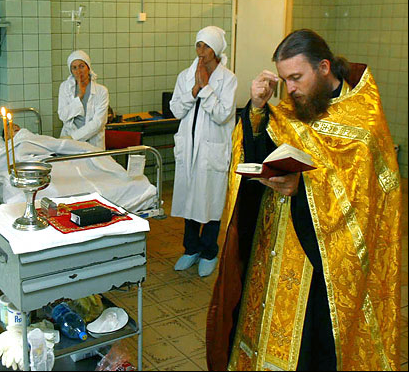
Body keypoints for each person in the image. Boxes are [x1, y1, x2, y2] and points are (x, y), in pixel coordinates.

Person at [206, 29, 401, 371]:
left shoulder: (364, 120)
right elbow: (260, 152)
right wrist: (257, 109)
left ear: (324, 67)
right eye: (284, 80)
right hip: (272, 248)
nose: (290, 89)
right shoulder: (294, 108)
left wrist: (303, 189)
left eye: (296, 78)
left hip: (321, 261)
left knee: (312, 346)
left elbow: (362, 202)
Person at [169, 26, 237, 277]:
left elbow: (222, 115)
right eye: (198, 45)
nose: (201, 51)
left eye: (206, 46)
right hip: (188, 150)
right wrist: (194, 90)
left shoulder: (228, 79)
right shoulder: (185, 76)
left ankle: (209, 252)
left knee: (209, 202)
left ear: (216, 50)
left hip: (212, 151)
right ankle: (191, 249)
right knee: (189, 201)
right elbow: (176, 110)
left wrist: (206, 88)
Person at [58, 50, 109, 149]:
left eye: (82, 66)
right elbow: (63, 116)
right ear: (71, 71)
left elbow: (98, 122)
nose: (78, 71)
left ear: (88, 67)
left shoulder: (101, 91)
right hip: (69, 139)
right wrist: (79, 97)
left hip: (92, 142)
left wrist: (73, 137)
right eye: (74, 68)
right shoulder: (65, 87)